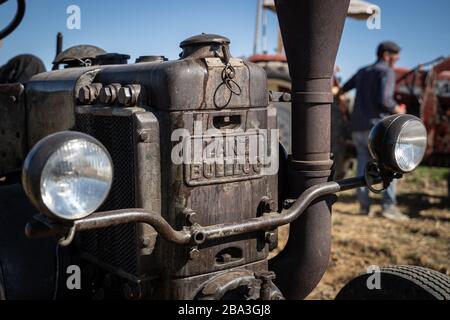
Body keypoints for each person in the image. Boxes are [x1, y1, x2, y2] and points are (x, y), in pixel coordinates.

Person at [338, 41, 409, 221]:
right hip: (377, 129)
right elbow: (384, 100)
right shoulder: (386, 72)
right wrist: (398, 109)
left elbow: (342, 89)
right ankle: (388, 207)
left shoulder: (363, 71)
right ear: (386, 55)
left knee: (363, 166)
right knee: (389, 165)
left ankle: (364, 206)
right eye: (395, 57)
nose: (397, 61)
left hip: (358, 128)